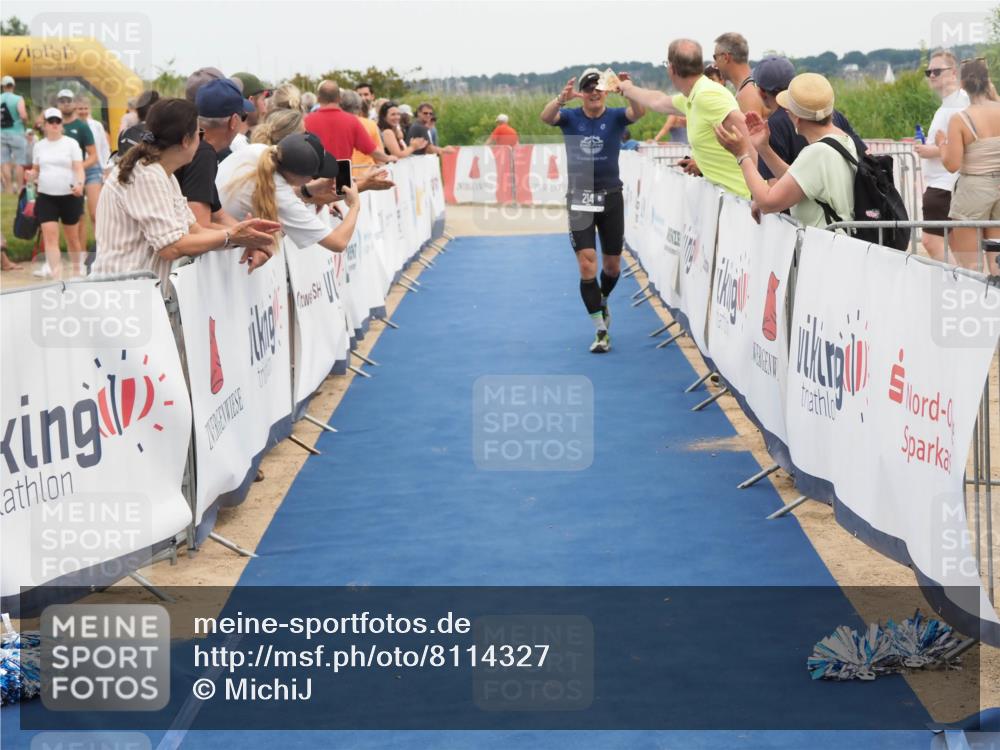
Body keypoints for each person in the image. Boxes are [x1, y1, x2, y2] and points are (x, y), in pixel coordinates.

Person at [92, 98, 279, 287]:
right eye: (200, 133)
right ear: (185, 141)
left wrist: (246, 239)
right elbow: (170, 247)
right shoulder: (146, 175)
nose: (202, 139)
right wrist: (233, 236)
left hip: (135, 296)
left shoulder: (163, 173)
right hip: (124, 297)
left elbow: (194, 229)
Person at [541, 66, 646, 353]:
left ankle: (602, 299)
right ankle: (600, 329)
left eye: (599, 89)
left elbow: (638, 113)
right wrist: (560, 99)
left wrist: (628, 90)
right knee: (587, 262)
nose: (594, 93)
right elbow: (546, 117)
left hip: (611, 197)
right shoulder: (571, 117)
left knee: (612, 266)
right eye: (588, 89)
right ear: (582, 95)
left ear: (605, 93)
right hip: (580, 196)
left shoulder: (614, 117)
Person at [715, 73, 857, 232]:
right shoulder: (842, 140)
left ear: (795, 117)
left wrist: (741, 155)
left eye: (787, 109)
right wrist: (764, 148)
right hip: (837, 245)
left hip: (823, 248)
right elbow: (798, 179)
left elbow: (767, 203)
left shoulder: (817, 153)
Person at [618, 39, 751, 198]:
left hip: (742, 200)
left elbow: (747, 133)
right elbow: (658, 101)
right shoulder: (693, 96)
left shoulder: (706, 95)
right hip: (730, 198)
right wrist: (628, 89)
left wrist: (757, 194)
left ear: (672, 68)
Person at [172, 79, 275, 270]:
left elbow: (218, 215)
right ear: (233, 121)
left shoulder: (198, 146)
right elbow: (199, 228)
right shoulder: (203, 153)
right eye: (243, 116)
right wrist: (247, 239)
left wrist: (251, 236)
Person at [217, 131, 363, 254]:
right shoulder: (282, 197)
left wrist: (308, 190)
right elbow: (338, 242)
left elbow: (272, 189)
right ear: (301, 177)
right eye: (314, 176)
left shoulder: (258, 150)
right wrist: (354, 205)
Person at [753, 56, 865, 183]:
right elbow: (863, 155)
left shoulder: (771, 128)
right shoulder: (831, 114)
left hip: (801, 201)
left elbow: (774, 189)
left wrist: (743, 156)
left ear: (761, 92)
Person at [938, 58, 1000, 271]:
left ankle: (974, 302)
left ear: (962, 84)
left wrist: (941, 144)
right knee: (998, 262)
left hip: (973, 190)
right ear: (987, 80)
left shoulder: (960, 119)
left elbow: (952, 164)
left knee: (971, 263)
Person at [914, 49, 970, 262]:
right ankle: (964, 282)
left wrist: (932, 150)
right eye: (929, 72)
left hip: (945, 183)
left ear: (953, 73)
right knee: (956, 244)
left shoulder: (959, 102)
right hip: (945, 182)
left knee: (930, 240)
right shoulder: (949, 104)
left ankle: (955, 282)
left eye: (937, 71)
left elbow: (966, 142)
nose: (932, 76)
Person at [25, 107, 85, 279]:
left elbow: (79, 168)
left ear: (61, 124)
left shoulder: (71, 144)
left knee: (72, 238)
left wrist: (80, 184)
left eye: (57, 121)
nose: (54, 124)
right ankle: (56, 277)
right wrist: (31, 175)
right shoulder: (39, 146)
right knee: (50, 238)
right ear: (44, 125)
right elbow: (36, 170)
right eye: (50, 121)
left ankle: (77, 272)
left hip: (69, 195)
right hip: (46, 196)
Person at [306, 80, 395, 165]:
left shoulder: (306, 121)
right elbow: (370, 149)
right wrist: (388, 158)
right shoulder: (351, 120)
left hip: (316, 174)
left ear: (318, 98)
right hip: (343, 173)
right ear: (339, 98)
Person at [713, 32, 767, 118]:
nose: (714, 64)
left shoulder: (747, 95)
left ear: (726, 57)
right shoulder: (751, 87)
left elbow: (752, 131)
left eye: (715, 57)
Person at [340, 90, 396, 168]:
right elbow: (379, 157)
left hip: (343, 175)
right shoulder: (369, 124)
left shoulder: (332, 124)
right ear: (359, 106)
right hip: (368, 173)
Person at [1, 75, 28, 194]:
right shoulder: (18, 98)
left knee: (4, 162)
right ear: (13, 86)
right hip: (17, 132)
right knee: (19, 161)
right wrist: (25, 123)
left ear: (2, 86)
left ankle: (8, 189)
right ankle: (21, 188)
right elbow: (23, 115)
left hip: (1, 133)